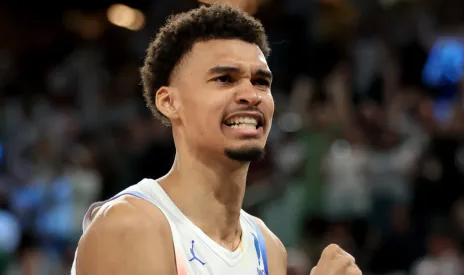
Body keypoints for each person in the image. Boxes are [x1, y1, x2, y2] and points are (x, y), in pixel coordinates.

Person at [72, 4, 361, 275]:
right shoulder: (130, 225)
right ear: (169, 101)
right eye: (224, 79)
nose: (251, 95)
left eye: (261, 82)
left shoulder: (269, 248)